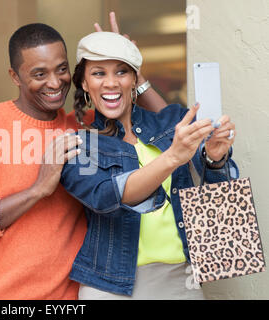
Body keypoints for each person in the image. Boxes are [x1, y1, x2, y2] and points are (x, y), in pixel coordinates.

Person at [0, 14, 166, 299]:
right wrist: (37, 190)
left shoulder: (87, 127)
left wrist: (127, 67)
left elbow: (166, 129)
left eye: (62, 69)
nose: (55, 83)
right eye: (39, 74)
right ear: (14, 76)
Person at [60, 31, 239, 299]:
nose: (111, 83)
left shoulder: (173, 121)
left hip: (183, 278)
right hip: (110, 286)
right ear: (84, 83)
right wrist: (172, 157)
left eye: (121, 72)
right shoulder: (80, 145)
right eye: (98, 73)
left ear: (135, 79)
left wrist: (215, 159)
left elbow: (219, 202)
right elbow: (107, 197)